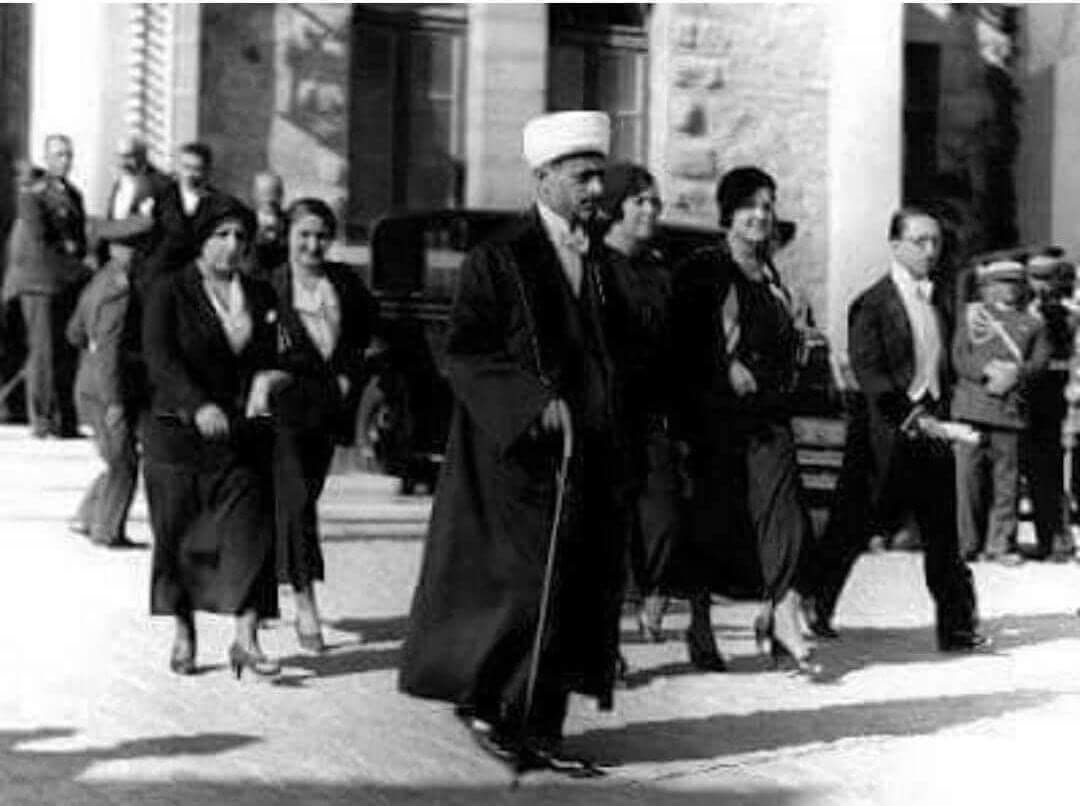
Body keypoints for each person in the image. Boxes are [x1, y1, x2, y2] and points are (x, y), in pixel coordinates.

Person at [399, 110, 625, 776]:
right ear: (544, 176)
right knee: (522, 587)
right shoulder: (499, 257)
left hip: (584, 457)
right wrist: (532, 403)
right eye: (584, 178)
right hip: (513, 460)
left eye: (599, 178)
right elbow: (464, 352)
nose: (594, 191)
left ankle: (542, 723)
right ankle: (487, 705)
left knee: (570, 587)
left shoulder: (603, 262)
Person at [801, 205, 986, 651]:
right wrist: (911, 416)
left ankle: (956, 625)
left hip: (933, 435)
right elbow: (870, 373)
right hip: (882, 438)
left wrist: (941, 416)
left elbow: (944, 366)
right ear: (895, 245)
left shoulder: (939, 301)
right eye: (920, 241)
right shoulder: (871, 303)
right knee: (850, 527)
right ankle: (814, 607)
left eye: (936, 242)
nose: (930, 250)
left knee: (943, 535)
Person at [671, 166, 819, 675]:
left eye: (767, 205)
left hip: (766, 417)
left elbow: (786, 348)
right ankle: (700, 623)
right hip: (712, 420)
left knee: (787, 513)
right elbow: (681, 341)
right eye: (749, 206)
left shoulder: (774, 278)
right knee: (711, 523)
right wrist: (722, 365)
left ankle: (782, 613)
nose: (760, 215)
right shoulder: (703, 269)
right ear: (728, 214)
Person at [141, 195, 287, 678]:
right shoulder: (169, 291)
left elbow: (278, 353)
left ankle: (246, 638)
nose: (232, 246)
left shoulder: (261, 294)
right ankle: (184, 630)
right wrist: (196, 404)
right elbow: (160, 359)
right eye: (221, 236)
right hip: (179, 438)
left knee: (251, 532)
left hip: (242, 436)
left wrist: (268, 378)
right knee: (180, 539)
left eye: (241, 237)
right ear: (201, 240)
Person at [269, 198, 376, 653]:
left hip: (326, 411)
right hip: (282, 412)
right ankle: (304, 599)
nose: (312, 245)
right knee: (295, 504)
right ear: (289, 236)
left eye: (321, 236)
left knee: (303, 501)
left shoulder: (345, 282)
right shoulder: (269, 285)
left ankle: (273, 580)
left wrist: (350, 372)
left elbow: (365, 327)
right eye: (304, 235)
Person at [597, 162, 677, 643]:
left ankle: (654, 594)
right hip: (603, 414)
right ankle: (606, 641)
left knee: (663, 515)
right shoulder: (594, 267)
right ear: (615, 207)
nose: (650, 210)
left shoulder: (658, 273)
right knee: (607, 525)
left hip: (652, 415)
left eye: (655, 202)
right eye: (639, 201)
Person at [951, 256, 1048, 565]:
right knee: (968, 480)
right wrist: (987, 371)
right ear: (986, 287)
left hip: (1010, 411)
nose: (1008, 290)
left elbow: (1040, 362)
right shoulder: (972, 317)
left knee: (1006, 483)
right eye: (1000, 283)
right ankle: (965, 542)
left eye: (1014, 283)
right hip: (972, 407)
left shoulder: (1033, 324)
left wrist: (1016, 374)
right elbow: (959, 357)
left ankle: (1000, 544)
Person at [3, 135, 89, 438]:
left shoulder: (74, 194)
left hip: (66, 283)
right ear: (48, 159)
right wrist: (77, 262)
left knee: (66, 351)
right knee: (43, 352)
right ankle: (42, 419)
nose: (64, 160)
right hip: (41, 283)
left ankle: (64, 419)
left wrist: (77, 261)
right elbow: (43, 238)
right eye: (57, 155)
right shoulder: (34, 194)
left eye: (68, 154)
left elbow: (77, 239)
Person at [64, 253, 140, 548]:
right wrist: (115, 402)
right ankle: (107, 529)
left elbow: (74, 333)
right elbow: (110, 351)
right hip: (104, 390)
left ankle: (87, 515)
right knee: (123, 463)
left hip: (87, 382)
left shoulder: (98, 280)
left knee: (115, 458)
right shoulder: (119, 292)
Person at [1023, 249, 1075, 561]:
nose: (1042, 285)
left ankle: (1055, 537)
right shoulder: (1018, 313)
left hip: (1056, 399)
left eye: (1047, 277)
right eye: (1036, 277)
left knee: (1051, 470)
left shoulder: (1067, 314)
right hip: (1024, 397)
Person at [138, 142, 221, 296]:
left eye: (197, 169)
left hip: (198, 285)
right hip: (159, 280)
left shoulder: (218, 204)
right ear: (178, 168)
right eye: (186, 167)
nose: (190, 174)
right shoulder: (160, 198)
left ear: (208, 172)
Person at [89, 134, 168, 272]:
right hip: (115, 264)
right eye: (120, 156)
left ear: (143, 155)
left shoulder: (160, 184)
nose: (123, 162)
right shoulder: (120, 182)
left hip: (144, 264)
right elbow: (113, 218)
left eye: (128, 156)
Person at [252, 171, 287, 277]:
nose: (270, 198)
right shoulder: (245, 221)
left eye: (274, 192)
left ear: (282, 194)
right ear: (254, 194)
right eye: (264, 192)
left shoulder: (290, 222)